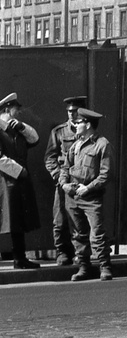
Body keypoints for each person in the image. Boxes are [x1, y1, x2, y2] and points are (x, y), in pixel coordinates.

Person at [62, 105, 112, 282]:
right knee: (78, 234)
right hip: (73, 196)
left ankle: (105, 267)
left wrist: (88, 188)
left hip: (91, 197)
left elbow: (105, 175)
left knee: (97, 233)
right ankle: (84, 268)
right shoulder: (75, 145)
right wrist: (64, 184)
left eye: (78, 122)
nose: (75, 125)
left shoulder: (102, 144)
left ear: (88, 124)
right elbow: (65, 168)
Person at [0, 91, 41, 271]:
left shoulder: (17, 129)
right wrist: (18, 171)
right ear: (8, 109)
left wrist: (22, 126)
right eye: (17, 109)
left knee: (18, 221)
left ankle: (20, 258)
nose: (19, 112)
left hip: (17, 182)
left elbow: (35, 138)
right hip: (4, 182)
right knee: (6, 219)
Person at [44, 95, 86, 267]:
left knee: (80, 220)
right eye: (69, 111)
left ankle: (80, 253)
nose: (71, 114)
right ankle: (62, 252)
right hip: (64, 181)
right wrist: (58, 176)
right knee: (60, 219)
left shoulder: (88, 130)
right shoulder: (59, 132)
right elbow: (50, 157)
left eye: (75, 111)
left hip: (82, 182)